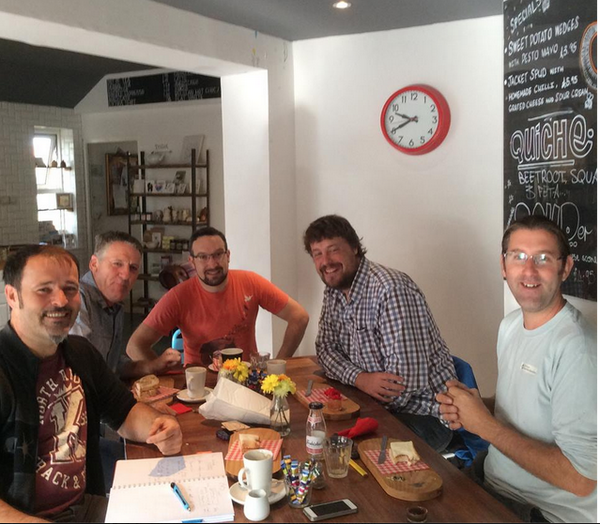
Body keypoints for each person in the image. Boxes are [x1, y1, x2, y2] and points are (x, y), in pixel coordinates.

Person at [0, 245, 182, 522]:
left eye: (70, 289)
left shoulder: (80, 352)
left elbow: (125, 411)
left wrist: (159, 427)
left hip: (84, 507)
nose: (61, 301)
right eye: (44, 290)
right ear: (13, 296)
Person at [437, 215, 596, 523]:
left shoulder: (577, 348)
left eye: (543, 258)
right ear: (503, 265)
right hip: (491, 481)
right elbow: (522, 409)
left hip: (542, 512)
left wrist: (483, 425)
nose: (529, 270)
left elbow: (581, 479)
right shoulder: (510, 326)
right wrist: (474, 408)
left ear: (566, 268)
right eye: (518, 256)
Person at [303, 215, 457, 452]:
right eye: (317, 254)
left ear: (354, 247)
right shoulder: (334, 291)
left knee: (342, 452)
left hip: (424, 415)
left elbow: (401, 386)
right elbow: (325, 350)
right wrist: (360, 379)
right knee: (317, 434)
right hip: (372, 403)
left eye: (333, 250)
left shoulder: (390, 289)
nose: (326, 261)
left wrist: (358, 389)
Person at [126, 226, 309, 366]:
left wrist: (278, 365)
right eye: (203, 257)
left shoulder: (251, 282)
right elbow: (135, 345)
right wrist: (161, 375)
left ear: (228, 256)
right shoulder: (178, 297)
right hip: (200, 389)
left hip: (246, 383)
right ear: (192, 261)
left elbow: (299, 317)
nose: (212, 264)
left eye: (218, 255)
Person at [70, 231, 180, 379]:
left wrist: (153, 365)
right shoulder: (76, 298)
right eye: (117, 264)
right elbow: (80, 369)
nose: (126, 275)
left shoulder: (115, 305)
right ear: (94, 264)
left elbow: (111, 365)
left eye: (133, 268)